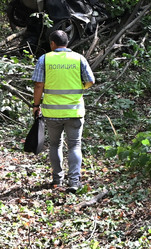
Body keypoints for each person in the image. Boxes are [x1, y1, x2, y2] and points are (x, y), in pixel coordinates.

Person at [31, 29, 95, 192]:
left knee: (55, 145)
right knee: (74, 146)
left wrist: (36, 105)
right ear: (67, 43)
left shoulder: (45, 59)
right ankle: (74, 182)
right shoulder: (78, 58)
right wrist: (80, 87)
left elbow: (39, 85)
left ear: (52, 44)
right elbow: (90, 81)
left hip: (52, 113)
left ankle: (57, 180)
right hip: (74, 111)